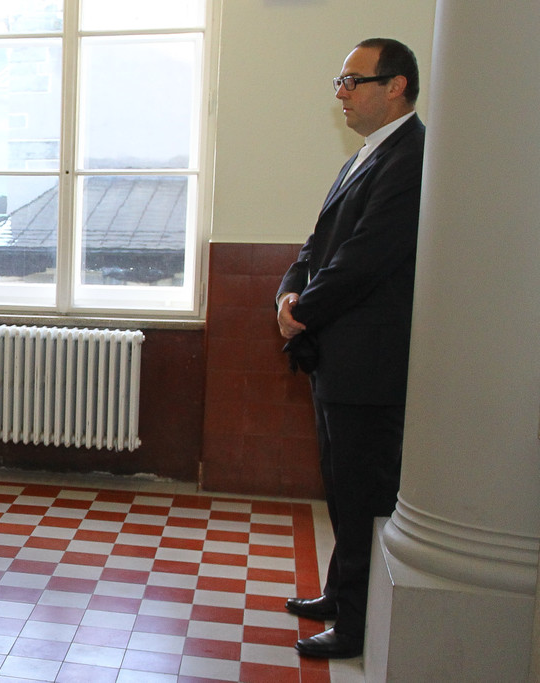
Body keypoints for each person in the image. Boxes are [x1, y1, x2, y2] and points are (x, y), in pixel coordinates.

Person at [276, 38, 425, 659]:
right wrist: (287, 292)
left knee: (364, 496)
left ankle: (358, 624)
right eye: (340, 82)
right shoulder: (367, 154)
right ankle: (341, 594)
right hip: (338, 358)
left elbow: (366, 258)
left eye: (352, 81)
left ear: (395, 86)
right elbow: (319, 244)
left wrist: (302, 313)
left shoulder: (412, 156)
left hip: (370, 364)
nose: (342, 93)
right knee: (340, 489)